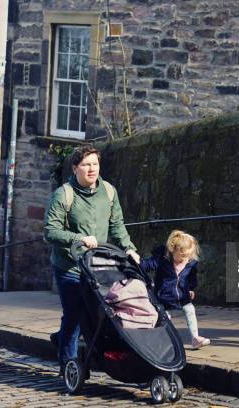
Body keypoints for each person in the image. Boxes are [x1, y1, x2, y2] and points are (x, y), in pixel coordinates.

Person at [43, 145, 140, 376]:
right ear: (75, 167)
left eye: (95, 164)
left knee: (97, 313)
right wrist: (79, 239)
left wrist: (129, 248)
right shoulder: (64, 194)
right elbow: (50, 231)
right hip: (69, 266)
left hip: (95, 266)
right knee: (75, 314)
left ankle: (61, 338)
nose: (91, 169)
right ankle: (68, 365)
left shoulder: (108, 191)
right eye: (86, 164)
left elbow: (117, 224)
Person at [141, 230, 211, 349]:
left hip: (182, 296)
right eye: (183, 255)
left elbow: (191, 277)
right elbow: (148, 265)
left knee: (190, 309)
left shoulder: (190, 263)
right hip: (163, 296)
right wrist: (137, 263)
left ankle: (195, 338)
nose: (186, 259)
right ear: (173, 250)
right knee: (164, 318)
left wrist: (191, 288)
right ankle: (162, 340)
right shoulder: (163, 260)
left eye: (189, 255)